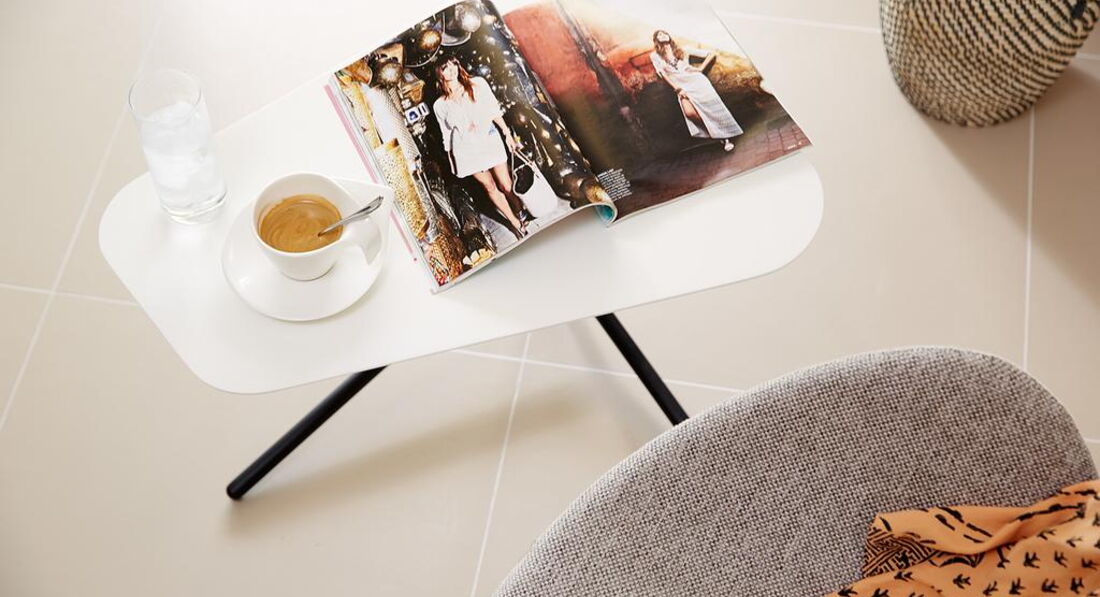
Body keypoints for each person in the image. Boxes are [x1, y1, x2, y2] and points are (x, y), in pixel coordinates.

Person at [432, 57, 527, 239]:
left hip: (489, 139)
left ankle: (519, 209)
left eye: (454, 65)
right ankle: (515, 223)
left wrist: (507, 133)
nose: (452, 69)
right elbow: (446, 134)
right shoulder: (440, 105)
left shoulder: (477, 84)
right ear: (439, 74)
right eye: (446, 67)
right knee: (489, 187)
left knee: (506, 184)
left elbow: (493, 110)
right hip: (465, 150)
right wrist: (452, 159)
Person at [650, 30, 742, 151]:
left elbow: (711, 54)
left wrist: (700, 69)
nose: (663, 35)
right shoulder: (655, 56)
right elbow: (663, 74)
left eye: (664, 33)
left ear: (669, 36)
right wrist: (677, 89)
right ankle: (717, 133)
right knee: (690, 113)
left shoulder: (683, 49)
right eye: (659, 35)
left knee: (710, 111)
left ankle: (725, 139)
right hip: (681, 87)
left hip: (697, 83)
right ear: (656, 40)